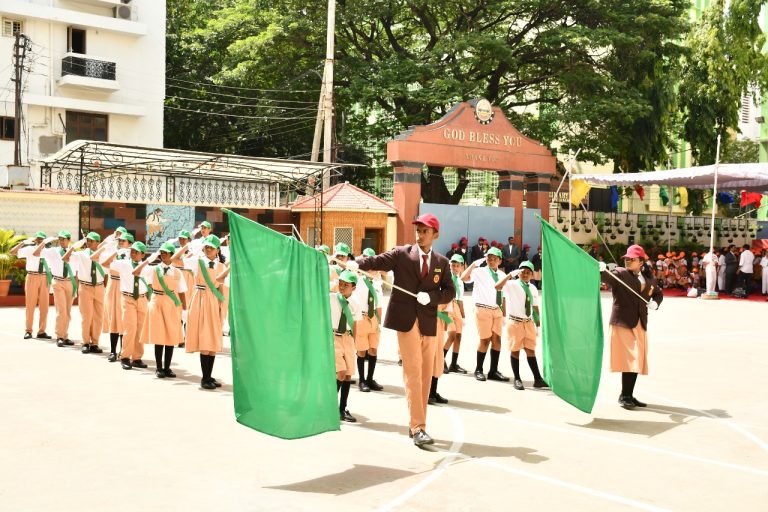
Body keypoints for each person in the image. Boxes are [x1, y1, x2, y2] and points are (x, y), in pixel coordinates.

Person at [347, 213, 454, 447]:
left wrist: (432, 297)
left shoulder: (442, 263)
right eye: (418, 230)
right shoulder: (402, 254)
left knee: (426, 376)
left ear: (436, 234)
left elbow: (450, 291)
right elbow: (379, 261)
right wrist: (358, 262)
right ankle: (418, 428)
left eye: (425, 231)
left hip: (428, 322)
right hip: (406, 321)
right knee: (414, 372)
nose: (420, 234)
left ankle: (415, 423)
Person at [599, 244, 663, 409]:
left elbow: (657, 292)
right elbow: (607, 278)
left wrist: (655, 302)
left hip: (640, 322)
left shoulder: (648, 278)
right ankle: (624, 395)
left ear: (641, 261)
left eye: (631, 259)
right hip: (623, 322)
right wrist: (600, 270)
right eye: (626, 258)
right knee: (631, 358)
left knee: (637, 359)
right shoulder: (620, 273)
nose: (627, 261)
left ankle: (629, 394)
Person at [182, 235, 229, 389]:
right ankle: (205, 378)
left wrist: (222, 309)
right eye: (206, 247)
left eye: (211, 247)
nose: (208, 249)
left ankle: (209, 376)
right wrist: (191, 249)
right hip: (201, 300)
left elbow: (222, 289)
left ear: (217, 249)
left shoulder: (221, 266)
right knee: (205, 337)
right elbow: (177, 261)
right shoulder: (198, 262)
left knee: (213, 339)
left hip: (214, 302)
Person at [495, 261, 547, 390]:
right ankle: (517, 379)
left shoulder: (533, 288)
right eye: (523, 272)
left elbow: (535, 308)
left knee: (530, 350)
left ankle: (538, 379)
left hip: (528, 323)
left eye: (528, 272)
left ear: (532, 275)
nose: (525, 274)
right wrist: (510, 275)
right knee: (515, 350)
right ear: (518, 273)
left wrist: (538, 325)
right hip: (515, 322)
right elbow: (497, 286)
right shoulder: (512, 284)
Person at [461, 246, 509, 382]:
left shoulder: (501, 275)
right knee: (485, 339)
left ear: (499, 261)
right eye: (489, 258)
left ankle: (493, 370)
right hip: (483, 309)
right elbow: (464, 278)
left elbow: (503, 295)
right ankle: (479, 369)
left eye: (494, 259)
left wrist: (504, 313)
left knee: (497, 339)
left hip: (497, 310)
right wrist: (473, 264)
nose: (491, 261)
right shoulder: (480, 271)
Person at [143, 242, 188, 378]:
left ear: (171, 255)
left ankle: (167, 367)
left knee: (171, 336)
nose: (163, 255)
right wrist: (150, 301)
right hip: (157, 303)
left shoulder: (177, 272)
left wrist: (184, 311)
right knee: (159, 336)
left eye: (166, 253)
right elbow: (145, 283)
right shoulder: (153, 269)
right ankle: (158, 367)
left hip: (171, 305)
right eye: (161, 252)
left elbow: (181, 292)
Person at [108, 241, 154, 370]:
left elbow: (150, 285)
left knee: (140, 329)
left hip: (142, 298)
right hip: (128, 298)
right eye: (132, 251)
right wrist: (117, 252)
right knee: (130, 328)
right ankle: (125, 357)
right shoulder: (124, 264)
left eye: (136, 252)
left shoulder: (147, 268)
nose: (133, 254)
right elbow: (104, 263)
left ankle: (137, 357)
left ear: (143, 254)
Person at [68, 232, 111, 354]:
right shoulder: (81, 254)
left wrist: (105, 287)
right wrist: (75, 246)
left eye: (92, 241)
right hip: (85, 286)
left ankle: (95, 343)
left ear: (98, 242)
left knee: (98, 317)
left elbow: (106, 273)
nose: (89, 243)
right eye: (88, 240)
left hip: (99, 287)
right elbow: (65, 258)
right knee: (86, 317)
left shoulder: (104, 255)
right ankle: (85, 342)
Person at [330, 270, 362, 422]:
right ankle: (329, 406)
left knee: (348, 373)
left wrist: (354, 343)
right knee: (341, 372)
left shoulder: (355, 302)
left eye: (346, 285)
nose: (341, 287)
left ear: (353, 288)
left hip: (347, 338)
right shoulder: (331, 297)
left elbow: (354, 323)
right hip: (333, 336)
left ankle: (342, 409)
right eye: (340, 283)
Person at [352, 248, 384, 392]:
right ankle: (362, 380)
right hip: (362, 317)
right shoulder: (358, 279)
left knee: (373, 349)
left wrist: (379, 322)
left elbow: (380, 303)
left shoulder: (378, 282)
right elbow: (350, 267)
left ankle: (370, 379)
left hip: (374, 319)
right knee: (361, 351)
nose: (371, 268)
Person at [11, 231, 52, 339]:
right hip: (32, 276)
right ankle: (28, 330)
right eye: (38, 238)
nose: (39, 240)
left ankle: (41, 331)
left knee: (44, 306)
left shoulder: (48, 251)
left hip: (44, 276)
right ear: (35, 239)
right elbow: (12, 252)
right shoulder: (29, 249)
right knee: (30, 305)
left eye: (41, 239)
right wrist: (23, 243)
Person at [101, 230, 133, 360]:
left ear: (130, 244)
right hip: (113, 284)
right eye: (119, 240)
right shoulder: (114, 254)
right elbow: (104, 263)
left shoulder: (133, 256)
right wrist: (116, 252)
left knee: (124, 320)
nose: (120, 243)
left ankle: (123, 351)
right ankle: (113, 351)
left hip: (126, 286)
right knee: (114, 319)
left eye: (123, 241)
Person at [47, 231, 76, 346]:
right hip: (58, 281)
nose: (62, 241)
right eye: (60, 239)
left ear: (69, 240)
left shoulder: (74, 253)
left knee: (68, 311)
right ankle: (59, 336)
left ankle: (65, 335)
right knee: (61, 310)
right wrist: (46, 241)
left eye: (64, 239)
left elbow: (76, 270)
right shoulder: (54, 251)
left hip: (69, 281)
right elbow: (37, 253)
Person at [443, 254, 467, 374]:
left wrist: (463, 315)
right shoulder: (446, 278)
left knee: (458, 335)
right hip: (447, 307)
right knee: (451, 334)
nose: (455, 268)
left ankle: (454, 363)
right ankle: (441, 359)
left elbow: (460, 298)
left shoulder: (460, 281)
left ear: (462, 267)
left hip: (456, 307)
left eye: (458, 266)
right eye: (453, 265)